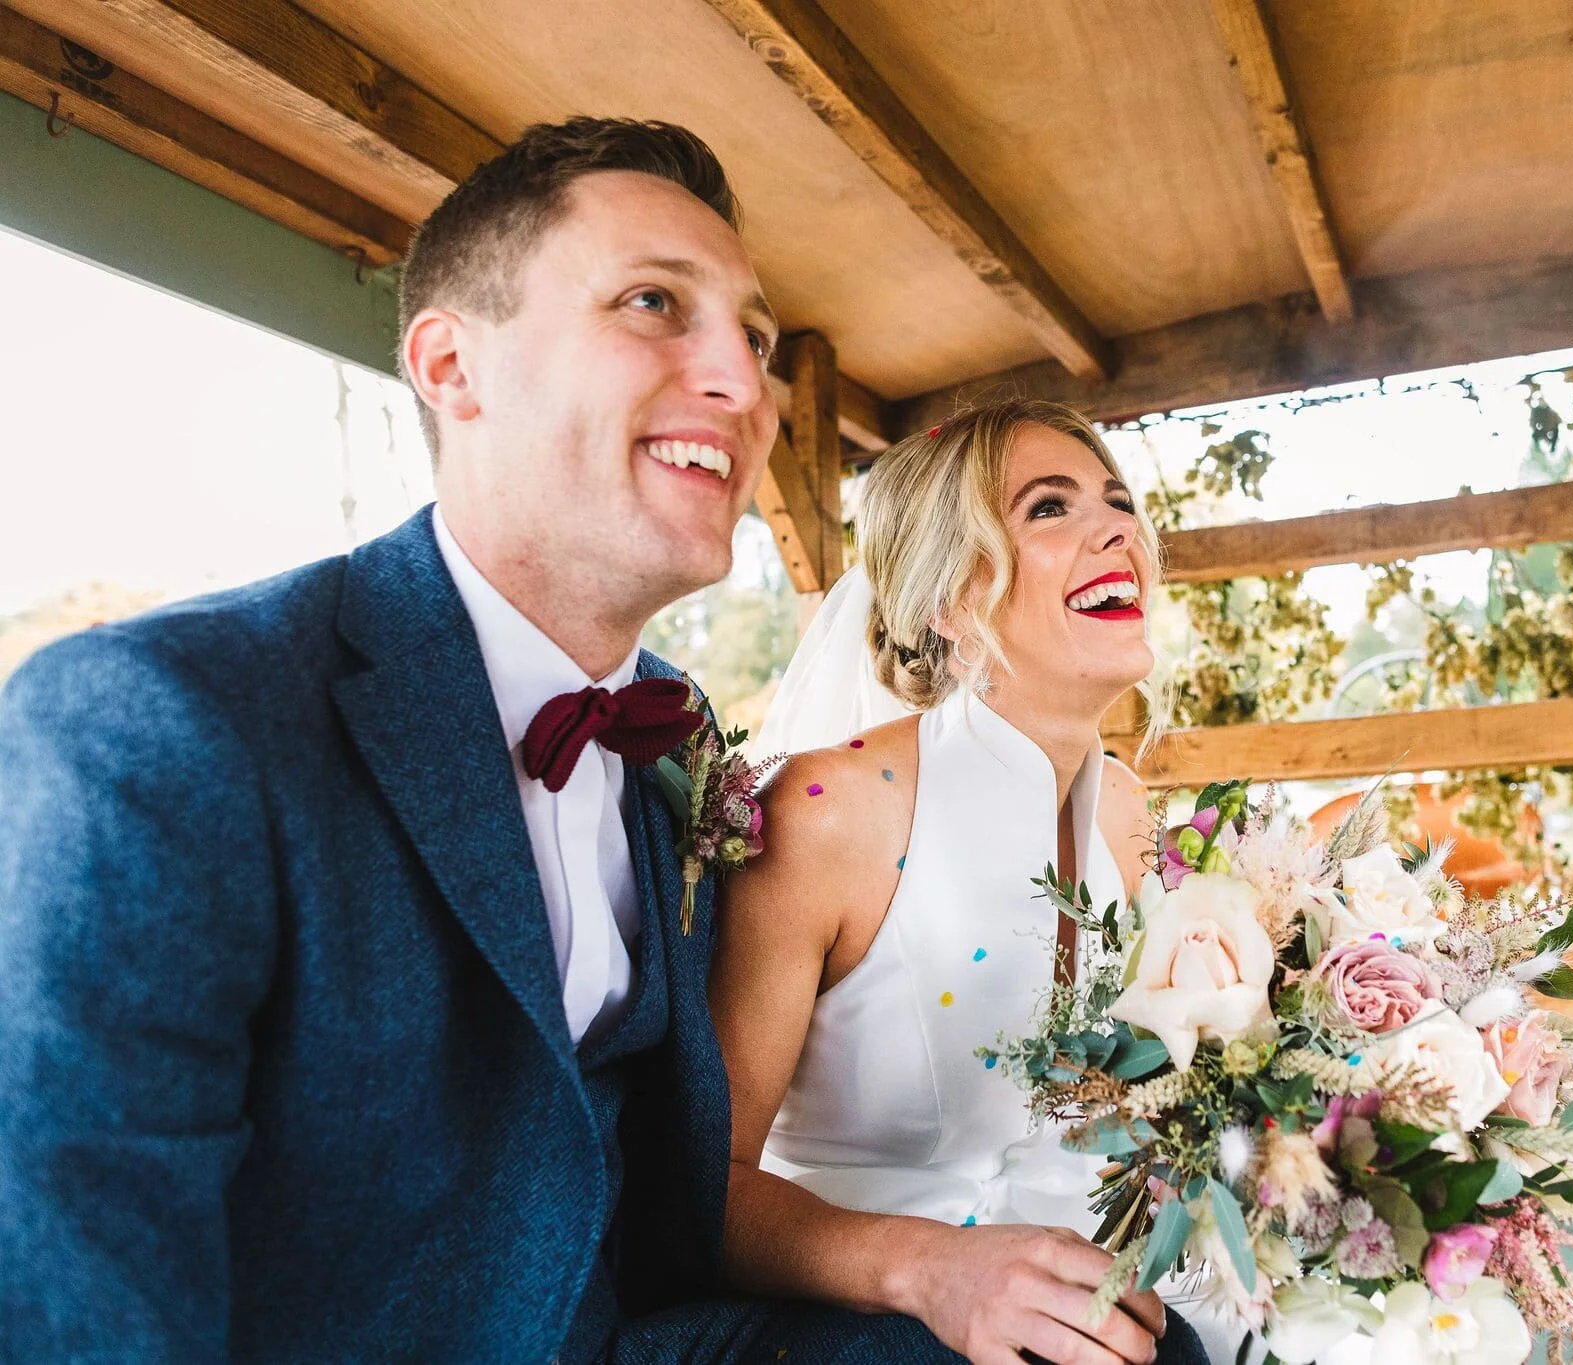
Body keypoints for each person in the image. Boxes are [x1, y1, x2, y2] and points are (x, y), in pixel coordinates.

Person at [0, 117, 956, 1363]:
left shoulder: (676, 732)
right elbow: (80, 1304)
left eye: (757, 339)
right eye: (654, 303)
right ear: (454, 367)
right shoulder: (159, 721)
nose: (743, 380)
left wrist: (928, 1258)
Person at [713, 401, 1215, 1365]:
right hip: (858, 1331)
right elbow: (699, 1187)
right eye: (1049, 507)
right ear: (951, 598)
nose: (1120, 528)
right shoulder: (827, 813)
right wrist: (932, 1269)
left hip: (1083, 1310)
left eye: (1118, 501)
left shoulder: (1129, 816)